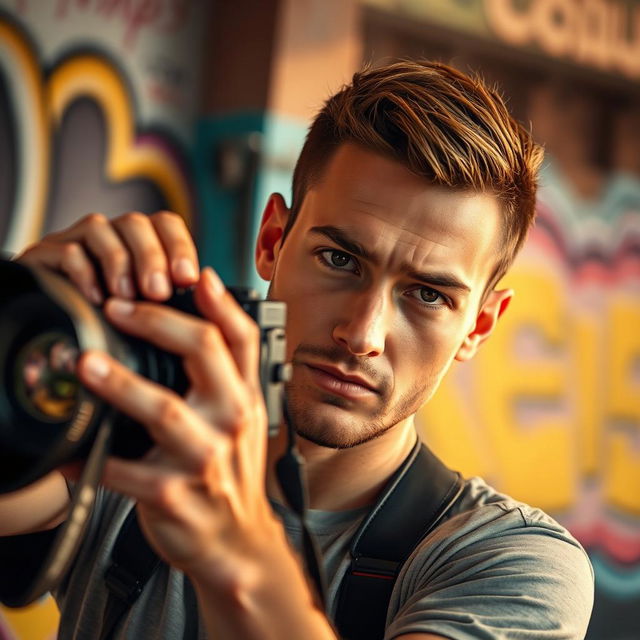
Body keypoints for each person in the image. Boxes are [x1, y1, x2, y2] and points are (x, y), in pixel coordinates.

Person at [0, 60, 594, 639]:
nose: (362, 335)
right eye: (340, 260)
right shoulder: (135, 449)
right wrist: (15, 333)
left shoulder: (513, 563)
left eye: (428, 295)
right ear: (271, 241)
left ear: (479, 326)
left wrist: (231, 550)